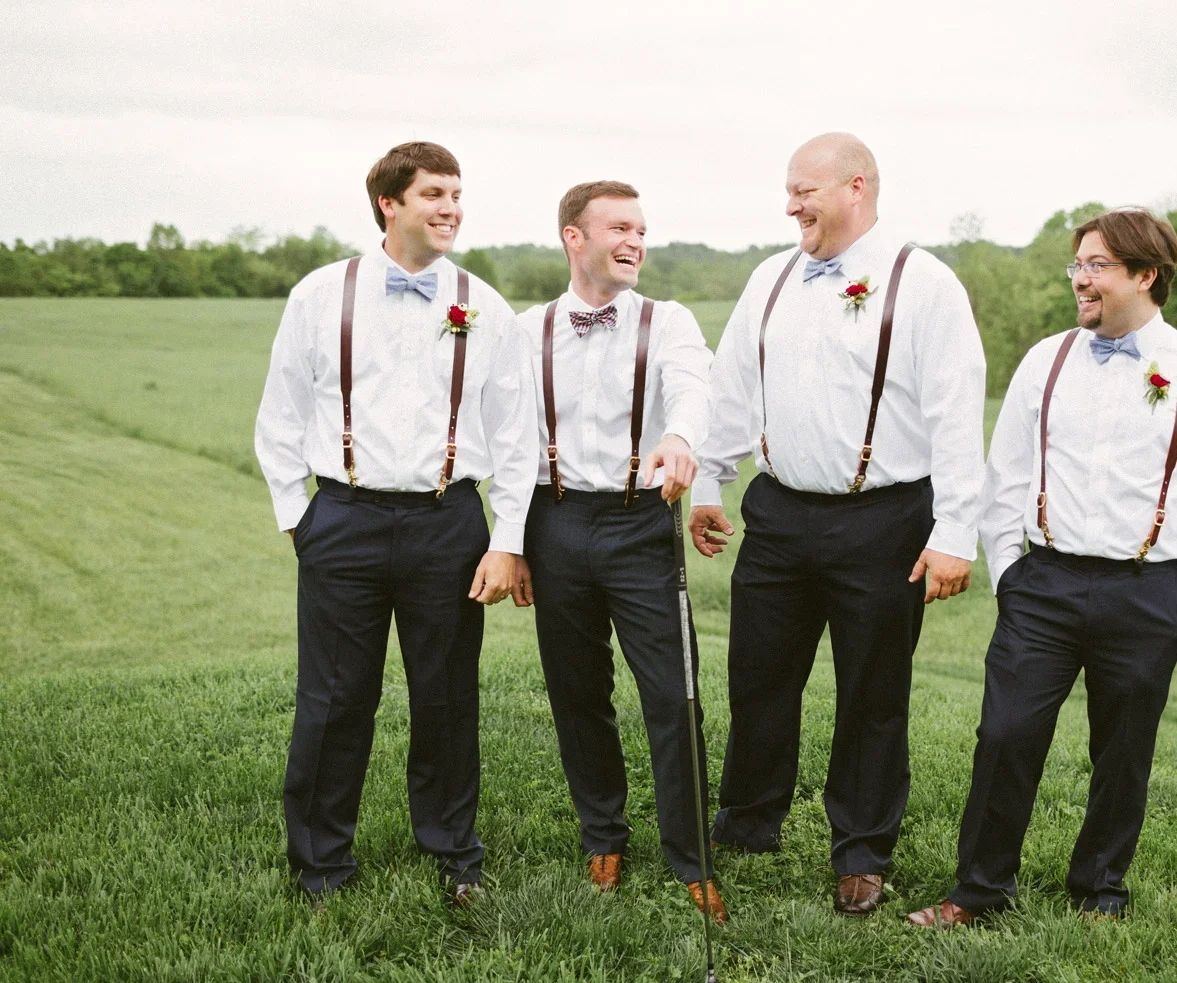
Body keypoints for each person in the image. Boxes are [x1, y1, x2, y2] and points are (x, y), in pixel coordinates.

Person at [907, 207, 1177, 929]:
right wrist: (1009, 571)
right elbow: (1005, 475)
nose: (1080, 281)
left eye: (1095, 267)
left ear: (1145, 276)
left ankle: (1099, 889)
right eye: (1078, 267)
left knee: (1123, 753)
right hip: (1044, 584)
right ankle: (977, 891)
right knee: (1004, 736)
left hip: (1149, 591)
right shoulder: (1047, 358)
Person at [688, 133, 987, 915]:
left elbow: (957, 413)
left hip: (884, 518)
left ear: (856, 186)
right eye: (788, 192)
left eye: (803, 191)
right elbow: (732, 383)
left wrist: (957, 530)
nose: (790, 206)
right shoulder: (771, 277)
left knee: (872, 690)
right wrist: (710, 483)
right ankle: (750, 819)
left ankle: (861, 849)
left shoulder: (924, 284)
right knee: (758, 675)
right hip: (779, 512)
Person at [253, 141, 537, 906]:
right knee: (335, 698)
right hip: (342, 517)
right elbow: (280, 413)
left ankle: (454, 855)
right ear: (389, 203)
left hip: (449, 523)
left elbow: (514, 435)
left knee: (446, 697)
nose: (450, 209)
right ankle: (321, 864)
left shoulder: (484, 304)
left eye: (456, 194)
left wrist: (507, 540)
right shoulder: (321, 295)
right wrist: (298, 519)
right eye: (434, 195)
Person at [511, 181, 725, 922]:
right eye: (619, 228)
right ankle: (603, 833)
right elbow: (508, 446)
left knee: (675, 693)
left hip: (642, 524)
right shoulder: (525, 329)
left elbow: (694, 387)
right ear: (575, 237)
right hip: (556, 521)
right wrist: (511, 543)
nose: (635, 241)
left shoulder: (669, 321)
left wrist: (680, 436)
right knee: (577, 693)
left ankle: (692, 857)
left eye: (642, 229)